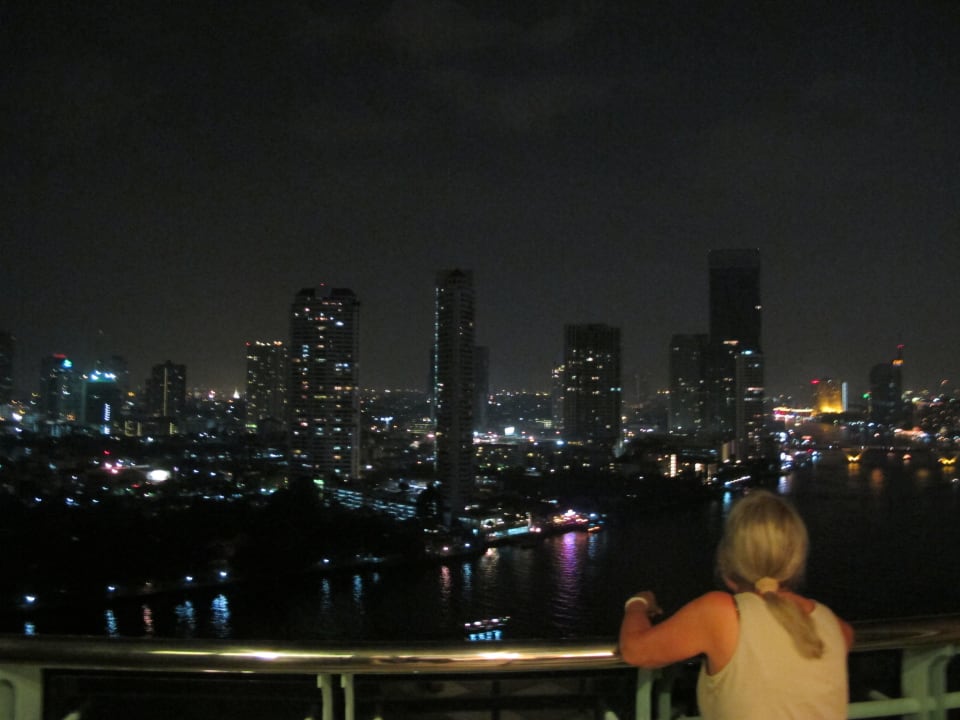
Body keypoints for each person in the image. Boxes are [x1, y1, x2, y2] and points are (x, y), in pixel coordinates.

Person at [618, 490, 854, 720]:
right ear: (795, 558)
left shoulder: (722, 613)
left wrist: (638, 604)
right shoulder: (836, 628)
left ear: (730, 556)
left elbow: (635, 650)